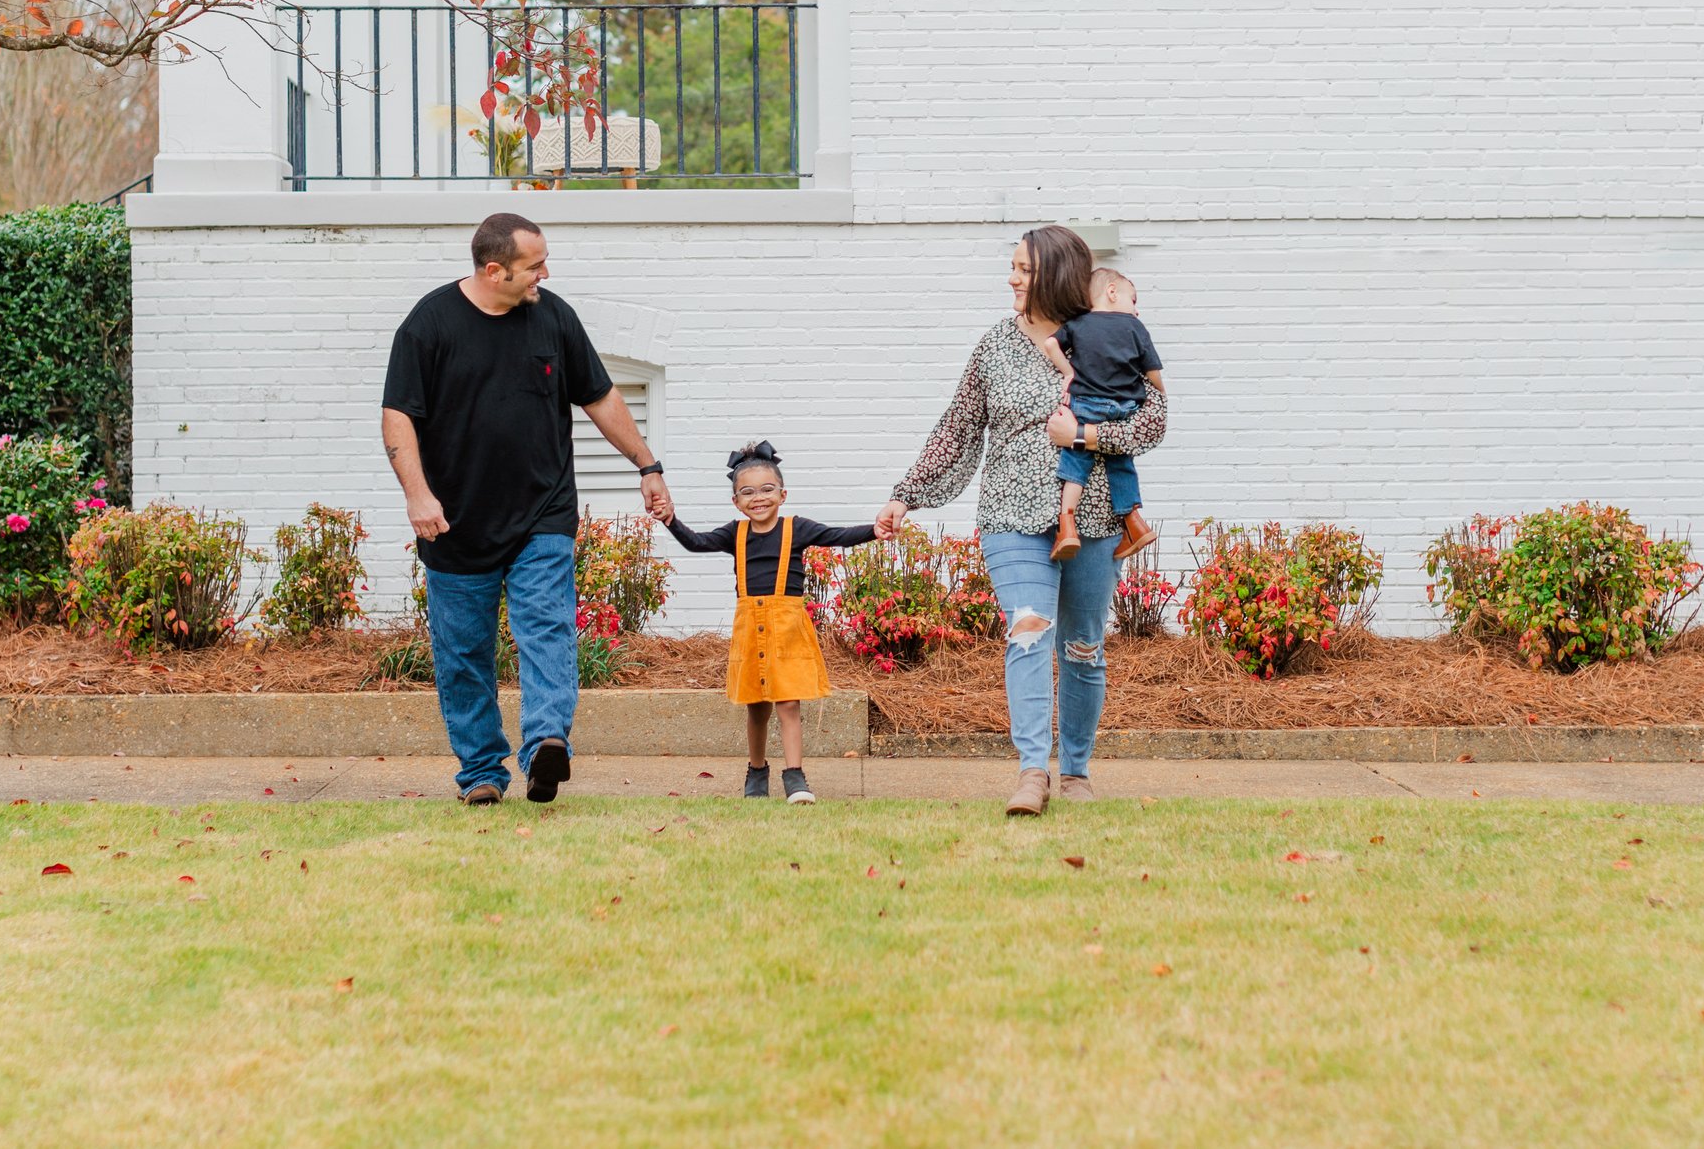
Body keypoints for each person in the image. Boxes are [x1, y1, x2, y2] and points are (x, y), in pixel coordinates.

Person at [380, 212, 672, 806]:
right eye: (534, 266)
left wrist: (648, 464)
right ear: (494, 271)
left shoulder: (553, 317)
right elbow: (398, 416)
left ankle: (544, 745)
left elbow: (599, 396)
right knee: (463, 655)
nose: (545, 274)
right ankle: (482, 772)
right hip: (455, 521)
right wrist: (417, 494)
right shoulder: (429, 325)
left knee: (547, 631)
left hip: (543, 514)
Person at [876, 226, 1166, 817]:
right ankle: (1033, 772)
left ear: (1056, 274)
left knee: (1083, 646)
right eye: (1012, 267)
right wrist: (906, 495)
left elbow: (1155, 418)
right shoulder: (994, 346)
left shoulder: (1105, 337)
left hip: (1091, 517)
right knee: (1028, 631)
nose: (1011, 278)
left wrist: (1086, 434)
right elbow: (957, 429)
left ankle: (1077, 771)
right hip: (1011, 515)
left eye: (1023, 269)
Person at [662, 441, 876, 804]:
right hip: (750, 629)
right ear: (736, 501)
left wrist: (878, 529)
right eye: (747, 492)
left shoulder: (799, 529)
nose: (758, 498)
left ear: (782, 493)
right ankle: (756, 772)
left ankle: (795, 776)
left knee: (788, 704)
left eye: (766, 489)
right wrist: (670, 519)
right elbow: (697, 543)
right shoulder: (735, 533)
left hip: (787, 629)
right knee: (756, 706)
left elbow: (840, 535)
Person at [1038, 267, 1165, 563]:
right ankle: (1133, 523)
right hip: (1123, 408)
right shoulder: (1135, 327)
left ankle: (1067, 524)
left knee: (1076, 464)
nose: (1136, 309)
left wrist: (1068, 371)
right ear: (1111, 292)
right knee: (1120, 461)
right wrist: (1161, 393)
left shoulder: (1078, 324)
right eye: (1133, 300)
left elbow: (1050, 344)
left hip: (1086, 406)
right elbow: (1152, 371)